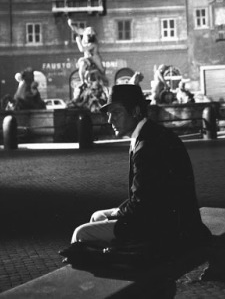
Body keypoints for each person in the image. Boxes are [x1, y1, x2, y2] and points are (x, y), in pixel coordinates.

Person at [60, 84, 210, 265]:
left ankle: (97, 282)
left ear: (136, 111)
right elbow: (146, 197)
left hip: (165, 228)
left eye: (116, 113)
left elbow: (142, 204)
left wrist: (116, 215)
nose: (109, 120)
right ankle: (109, 262)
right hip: (169, 219)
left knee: (81, 233)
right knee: (97, 217)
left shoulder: (146, 145)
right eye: (109, 114)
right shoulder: (150, 134)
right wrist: (116, 214)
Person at [67, 18, 106, 85]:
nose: (89, 36)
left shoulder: (93, 44)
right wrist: (71, 25)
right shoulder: (85, 33)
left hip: (94, 58)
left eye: (91, 35)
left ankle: (103, 83)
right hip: (87, 58)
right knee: (82, 66)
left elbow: (82, 49)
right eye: (88, 35)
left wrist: (78, 41)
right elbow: (77, 30)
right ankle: (82, 81)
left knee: (102, 70)